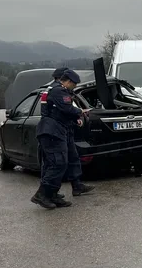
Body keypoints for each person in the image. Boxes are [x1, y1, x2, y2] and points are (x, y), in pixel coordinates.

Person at [32, 68, 95, 210]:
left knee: (63, 162)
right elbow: (67, 109)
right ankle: (42, 194)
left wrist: (75, 119)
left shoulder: (57, 90)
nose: (74, 87)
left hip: (59, 130)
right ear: (67, 81)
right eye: (74, 84)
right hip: (52, 132)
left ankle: (52, 194)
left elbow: (61, 112)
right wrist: (80, 112)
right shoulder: (58, 91)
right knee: (57, 163)